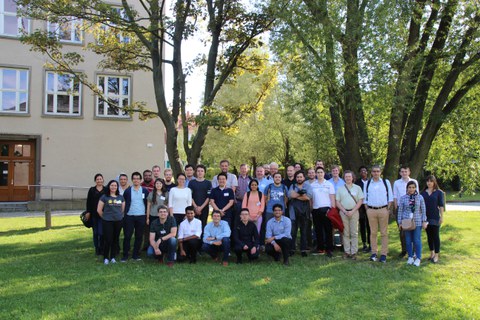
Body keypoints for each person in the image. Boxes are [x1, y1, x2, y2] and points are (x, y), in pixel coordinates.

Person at [363, 165, 393, 263]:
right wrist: (367, 209)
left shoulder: (385, 182)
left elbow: (390, 197)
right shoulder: (367, 183)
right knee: (373, 232)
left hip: (383, 209)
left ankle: (383, 254)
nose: (376, 173)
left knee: (384, 233)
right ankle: (374, 253)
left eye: (378, 171)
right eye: (374, 171)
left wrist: (387, 209)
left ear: (380, 172)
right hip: (371, 210)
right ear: (371, 173)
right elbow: (364, 198)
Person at [335, 171, 364, 260]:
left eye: (349, 176)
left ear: (353, 178)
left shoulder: (357, 188)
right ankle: (347, 251)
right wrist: (344, 211)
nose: (348, 178)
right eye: (346, 176)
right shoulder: (340, 189)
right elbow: (337, 201)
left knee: (354, 232)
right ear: (344, 178)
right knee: (345, 232)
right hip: (343, 212)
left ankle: (354, 252)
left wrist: (353, 210)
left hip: (354, 212)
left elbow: (360, 200)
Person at [398, 181, 427, 267]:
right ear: (407, 188)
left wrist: (424, 221)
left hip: (417, 221)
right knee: (408, 240)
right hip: (406, 222)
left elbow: (423, 210)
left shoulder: (420, 197)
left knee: (416, 240)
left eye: (413, 187)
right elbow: (400, 211)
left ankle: (418, 257)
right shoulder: (403, 198)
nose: (411, 189)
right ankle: (410, 257)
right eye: (409, 187)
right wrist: (400, 222)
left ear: (415, 188)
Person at [122, 171, 149, 262]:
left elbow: (147, 203)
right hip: (129, 216)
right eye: (134, 179)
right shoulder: (128, 191)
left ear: (140, 180)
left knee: (139, 236)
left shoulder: (145, 190)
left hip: (141, 216)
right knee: (127, 236)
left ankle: (135, 255)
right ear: (132, 180)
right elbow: (124, 202)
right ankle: (125, 255)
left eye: (138, 178)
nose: (136, 180)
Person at [393, 166, 419, 258]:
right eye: (402, 172)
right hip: (401, 209)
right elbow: (395, 196)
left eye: (406, 171)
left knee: (413, 229)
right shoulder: (396, 183)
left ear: (409, 172)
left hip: (412, 209)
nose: (404, 173)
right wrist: (396, 209)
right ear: (400, 173)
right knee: (403, 231)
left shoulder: (414, 182)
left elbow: (417, 195)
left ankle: (415, 251)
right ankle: (404, 250)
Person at [97, 179, 125, 265]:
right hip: (107, 222)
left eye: (115, 186)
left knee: (115, 240)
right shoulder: (104, 197)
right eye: (112, 185)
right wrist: (105, 217)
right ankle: (106, 258)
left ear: (117, 187)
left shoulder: (121, 197)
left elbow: (122, 210)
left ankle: (112, 257)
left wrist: (119, 217)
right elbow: (99, 210)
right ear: (109, 186)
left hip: (118, 221)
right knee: (108, 240)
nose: (113, 187)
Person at [310, 166, 336, 257]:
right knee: (318, 230)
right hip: (316, 210)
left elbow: (332, 198)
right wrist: (311, 209)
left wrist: (332, 209)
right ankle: (320, 248)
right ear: (316, 174)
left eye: (321, 172)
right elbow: (311, 199)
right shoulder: (312, 185)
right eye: (318, 172)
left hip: (326, 210)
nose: (320, 174)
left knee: (328, 230)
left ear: (324, 173)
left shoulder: (329, 184)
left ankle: (329, 248)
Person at [288, 170, 313, 257]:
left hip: (305, 212)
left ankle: (303, 249)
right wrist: (301, 194)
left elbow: (308, 197)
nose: (299, 178)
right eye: (297, 177)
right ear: (296, 178)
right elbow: (290, 196)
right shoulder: (292, 186)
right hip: (293, 212)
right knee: (293, 231)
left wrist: (297, 195)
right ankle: (292, 249)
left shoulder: (308, 186)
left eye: (300, 177)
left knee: (304, 231)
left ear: (304, 177)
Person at [421, 175, 445, 263]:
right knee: (429, 236)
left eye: (431, 181)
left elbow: (441, 205)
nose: (429, 183)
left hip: (435, 217)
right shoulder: (423, 193)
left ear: (434, 182)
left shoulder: (439, 192)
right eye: (427, 181)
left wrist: (442, 217)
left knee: (435, 236)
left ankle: (437, 255)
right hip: (425, 218)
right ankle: (432, 253)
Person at [85, 173, 107, 256]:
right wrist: (88, 212)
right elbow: (88, 202)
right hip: (94, 214)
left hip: (103, 214)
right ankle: (96, 249)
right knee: (95, 233)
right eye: (97, 179)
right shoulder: (92, 190)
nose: (99, 180)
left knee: (101, 233)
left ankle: (101, 248)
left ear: (103, 180)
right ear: (95, 181)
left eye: (100, 179)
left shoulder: (106, 189)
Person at [188, 164, 212, 231]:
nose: (200, 172)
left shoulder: (208, 183)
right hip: (193, 208)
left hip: (204, 208)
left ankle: (202, 240)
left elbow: (208, 197)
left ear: (204, 172)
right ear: (196, 172)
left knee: (203, 225)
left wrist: (201, 208)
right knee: (193, 225)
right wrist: (195, 207)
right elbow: (190, 196)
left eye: (202, 171)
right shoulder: (191, 183)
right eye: (198, 171)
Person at [355, 166, 371, 252]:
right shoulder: (357, 183)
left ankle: (370, 243)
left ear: (367, 172)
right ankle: (364, 243)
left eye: (365, 171)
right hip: (360, 206)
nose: (363, 172)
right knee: (362, 225)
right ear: (359, 173)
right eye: (361, 171)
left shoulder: (371, 181)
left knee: (370, 225)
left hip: (370, 205)